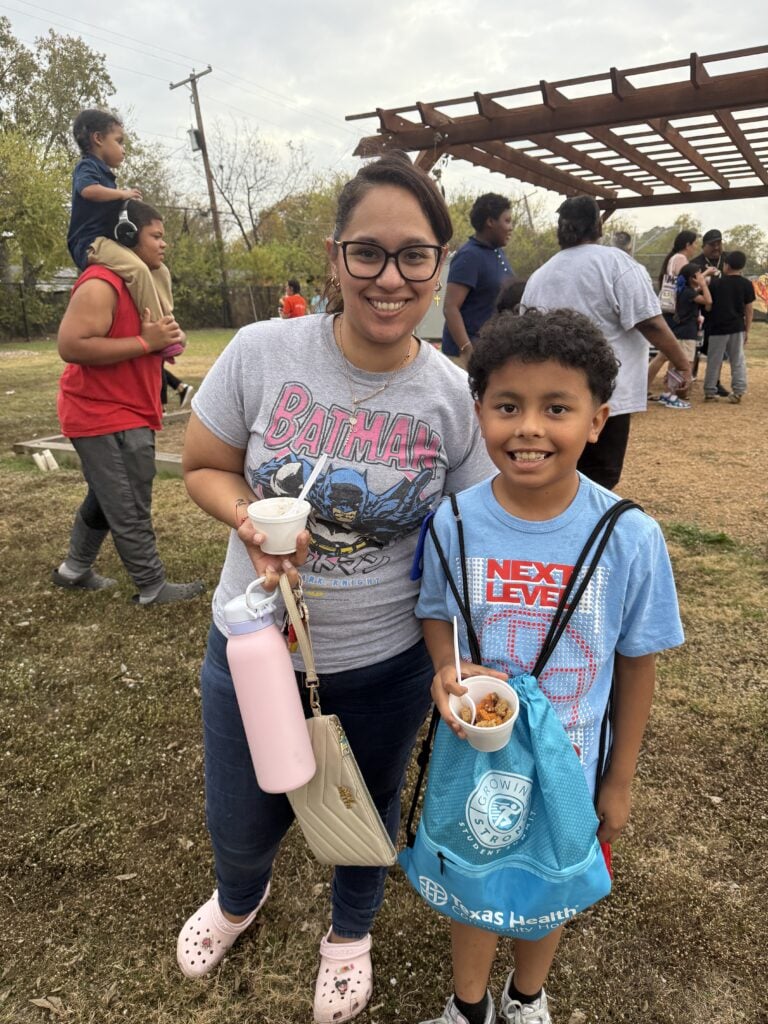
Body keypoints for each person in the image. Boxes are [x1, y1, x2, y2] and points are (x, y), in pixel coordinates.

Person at [178, 151, 494, 1023]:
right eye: (368, 253)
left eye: (414, 256)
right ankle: (241, 899)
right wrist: (247, 518)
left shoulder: (454, 397)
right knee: (242, 806)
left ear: (439, 264)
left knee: (366, 800)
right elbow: (204, 466)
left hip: (383, 661)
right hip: (252, 647)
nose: (389, 278)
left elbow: (472, 533)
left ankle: (350, 931)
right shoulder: (262, 352)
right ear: (334, 258)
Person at [417, 308, 684, 1024]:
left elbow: (636, 665)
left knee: (550, 884)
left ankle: (527, 994)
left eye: (556, 408)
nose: (529, 428)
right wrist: (446, 664)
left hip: (573, 760)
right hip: (476, 747)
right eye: (508, 406)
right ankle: (467, 1003)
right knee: (472, 876)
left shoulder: (628, 536)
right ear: (480, 414)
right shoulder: (456, 521)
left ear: (598, 419)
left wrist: (620, 779)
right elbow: (435, 609)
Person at [52, 200, 205, 606]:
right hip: (98, 412)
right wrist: (145, 342)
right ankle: (152, 587)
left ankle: (73, 569)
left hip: (133, 408)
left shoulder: (143, 285)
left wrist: (166, 342)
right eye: (156, 235)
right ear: (126, 235)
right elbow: (71, 345)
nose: (164, 244)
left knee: (108, 496)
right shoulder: (101, 283)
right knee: (128, 502)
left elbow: (155, 341)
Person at [521, 196, 692, 490]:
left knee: (557, 474)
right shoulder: (615, 263)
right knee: (599, 478)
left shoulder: (540, 274)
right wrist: (682, 363)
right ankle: (584, 531)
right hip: (605, 396)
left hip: (550, 396)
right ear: (598, 226)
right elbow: (649, 321)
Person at [67, 108, 173, 323]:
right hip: (90, 243)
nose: (123, 150)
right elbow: (88, 190)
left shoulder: (104, 174)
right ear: (98, 139)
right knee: (138, 270)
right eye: (119, 141)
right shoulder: (87, 167)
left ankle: (167, 318)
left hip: (107, 240)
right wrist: (122, 193)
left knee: (159, 270)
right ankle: (155, 326)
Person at [441, 193, 514, 367]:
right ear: (490, 222)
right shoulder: (470, 256)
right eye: (507, 221)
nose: (511, 227)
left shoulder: (497, 253)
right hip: (464, 358)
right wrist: (467, 350)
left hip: (489, 354)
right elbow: (450, 308)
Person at [653, 263, 712, 409]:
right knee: (684, 366)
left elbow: (694, 289)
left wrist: (703, 275)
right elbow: (708, 302)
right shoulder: (690, 293)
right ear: (692, 278)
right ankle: (673, 395)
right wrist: (704, 284)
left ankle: (668, 393)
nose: (699, 277)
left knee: (673, 365)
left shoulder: (681, 290)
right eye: (697, 275)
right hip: (686, 334)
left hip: (676, 332)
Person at [703, 250, 755, 404]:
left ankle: (710, 391)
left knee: (714, 360)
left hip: (717, 328)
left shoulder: (716, 283)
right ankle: (738, 391)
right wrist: (747, 329)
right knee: (737, 359)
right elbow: (749, 309)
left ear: (726, 265)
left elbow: (709, 306)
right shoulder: (746, 284)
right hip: (737, 327)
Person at [691, 229, 729, 394]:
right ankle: (689, 377)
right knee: (695, 347)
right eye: (712, 244)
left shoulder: (727, 260)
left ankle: (715, 382)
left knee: (718, 349)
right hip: (700, 313)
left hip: (722, 312)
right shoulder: (696, 263)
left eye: (718, 243)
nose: (716, 247)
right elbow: (691, 288)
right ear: (703, 246)